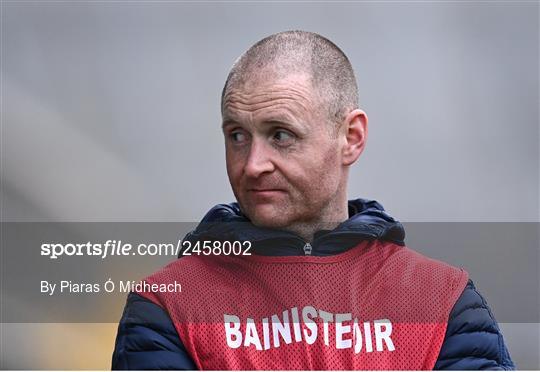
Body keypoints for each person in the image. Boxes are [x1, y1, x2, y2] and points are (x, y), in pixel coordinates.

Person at [111, 31, 515, 370]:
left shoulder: (444, 301)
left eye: (281, 135)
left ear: (351, 138)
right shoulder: (166, 306)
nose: (252, 165)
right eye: (237, 135)